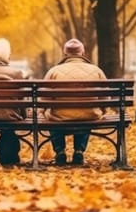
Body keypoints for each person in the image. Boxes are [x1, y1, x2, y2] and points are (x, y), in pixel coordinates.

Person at [43, 38, 107, 166]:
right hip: (88, 116)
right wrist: (103, 110)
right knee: (86, 113)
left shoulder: (54, 71)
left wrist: (43, 111)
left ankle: (60, 151)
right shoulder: (96, 70)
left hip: (60, 117)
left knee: (52, 115)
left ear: (65, 54)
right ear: (83, 54)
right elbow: (105, 98)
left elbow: (44, 99)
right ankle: (79, 150)